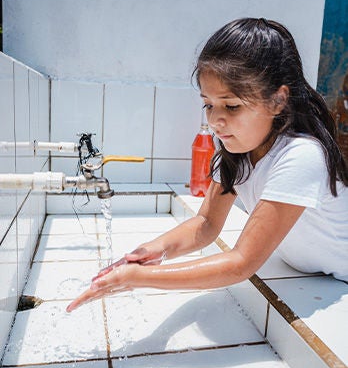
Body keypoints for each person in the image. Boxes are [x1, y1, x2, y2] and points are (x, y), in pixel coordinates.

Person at [66, 18, 348, 313]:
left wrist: (140, 278)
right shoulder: (237, 151)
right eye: (208, 104)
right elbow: (206, 224)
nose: (215, 120)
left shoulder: (301, 155)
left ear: (278, 100)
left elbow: (241, 263)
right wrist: (152, 251)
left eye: (232, 105)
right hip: (310, 276)